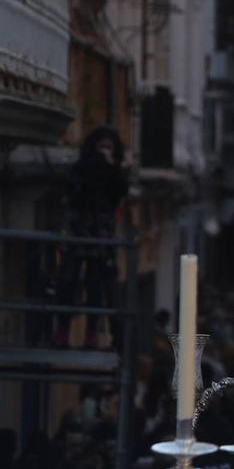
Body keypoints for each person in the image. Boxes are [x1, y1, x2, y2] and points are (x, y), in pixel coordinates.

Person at [54, 127, 131, 348]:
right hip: (79, 230)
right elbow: (75, 192)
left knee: (95, 286)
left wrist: (111, 167)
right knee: (68, 282)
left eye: (109, 148)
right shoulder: (82, 168)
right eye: (101, 147)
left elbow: (119, 193)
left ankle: (91, 334)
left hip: (100, 233)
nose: (104, 152)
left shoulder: (113, 172)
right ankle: (62, 331)